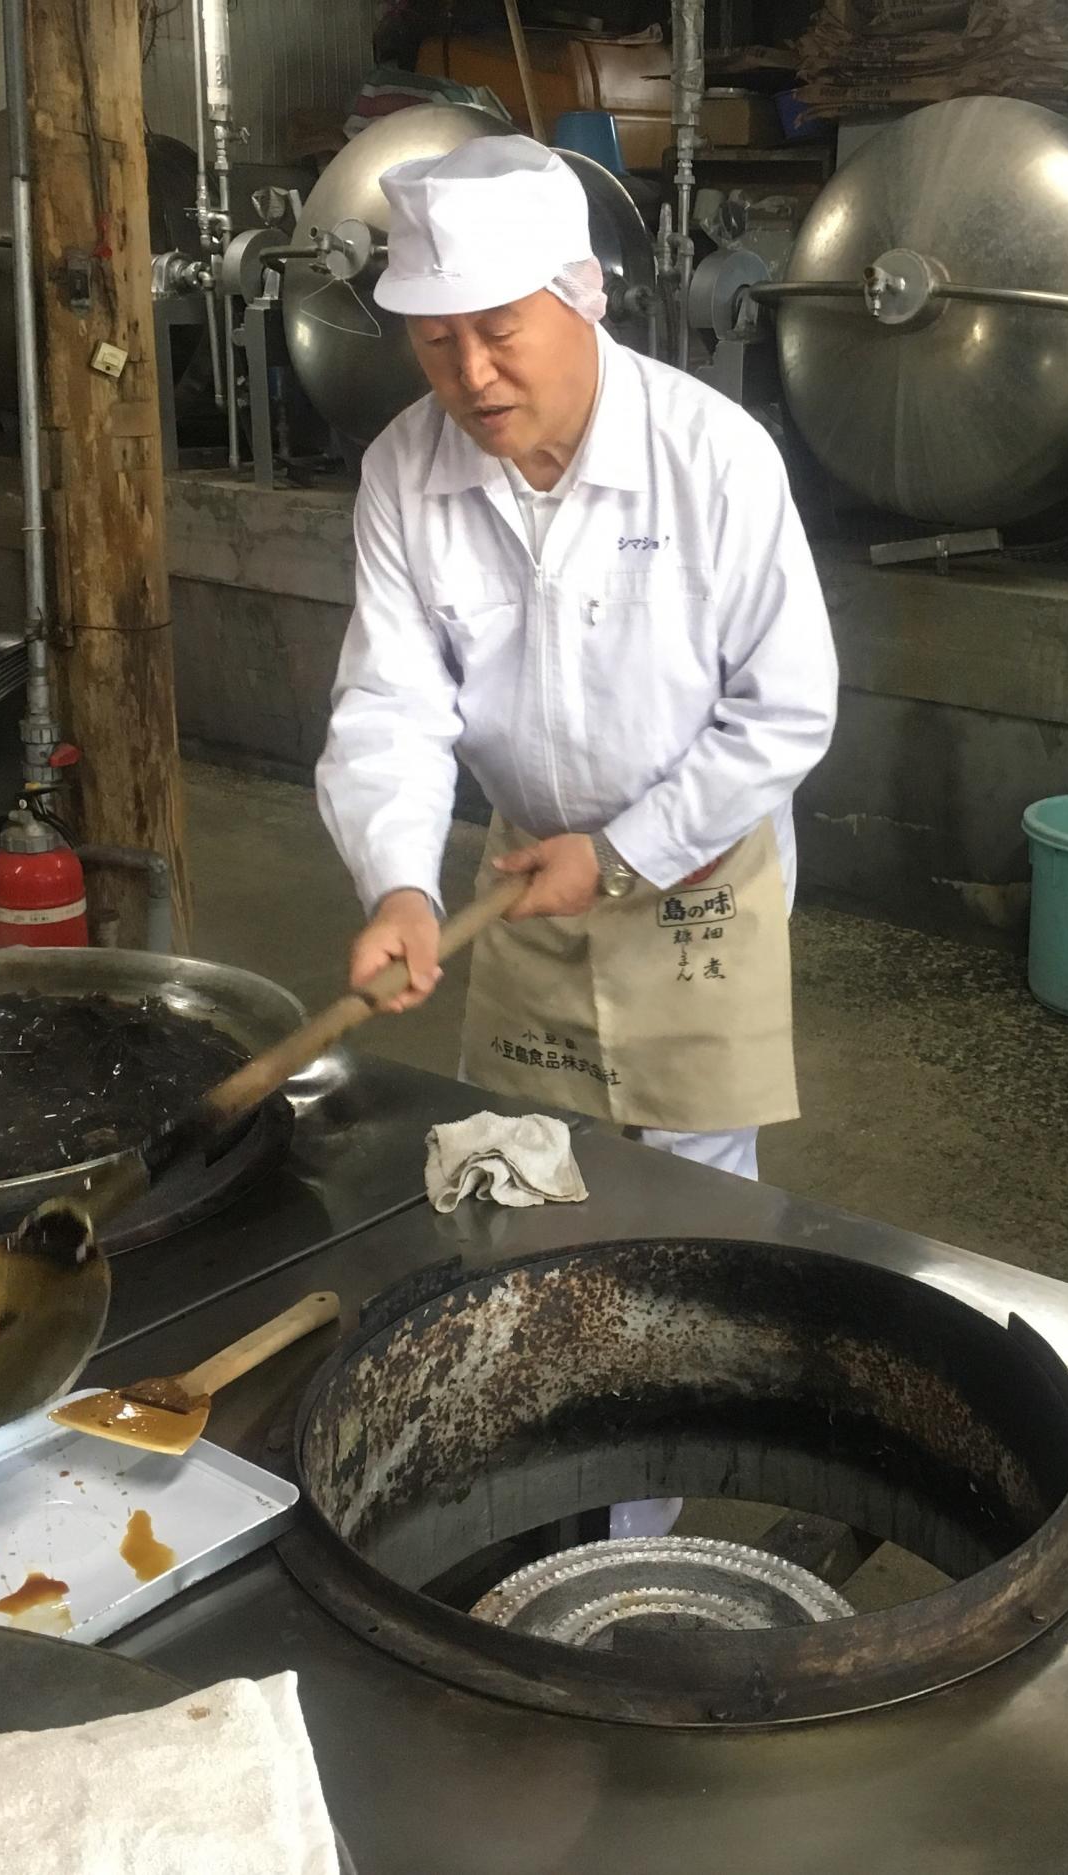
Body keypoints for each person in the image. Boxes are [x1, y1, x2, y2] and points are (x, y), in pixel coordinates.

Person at [314, 135, 837, 1183]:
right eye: (434, 340)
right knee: (527, 1154)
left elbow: (784, 709)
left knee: (693, 1175)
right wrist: (401, 889)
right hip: (526, 872)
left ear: (583, 296)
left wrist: (622, 850)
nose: (470, 374)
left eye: (499, 332)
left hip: (699, 860)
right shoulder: (403, 472)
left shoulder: (712, 458)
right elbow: (391, 707)